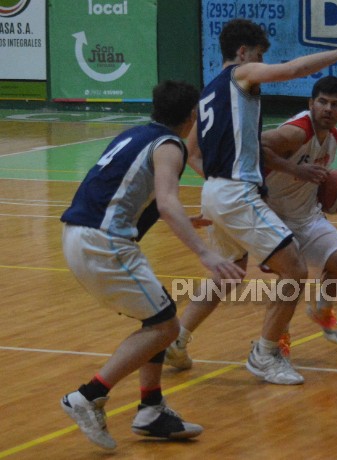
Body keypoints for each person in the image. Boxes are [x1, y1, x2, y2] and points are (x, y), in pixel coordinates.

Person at [164, 19, 337, 386]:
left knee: (225, 275)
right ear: (243, 53)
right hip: (235, 191)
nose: (261, 63)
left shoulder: (210, 91)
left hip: (218, 189)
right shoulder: (242, 74)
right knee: (294, 270)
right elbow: (293, 69)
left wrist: (216, 190)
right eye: (259, 55)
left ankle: (177, 339)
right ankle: (265, 353)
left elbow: (192, 152)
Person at [59, 80, 244, 450]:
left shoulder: (135, 134)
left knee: (158, 315)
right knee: (165, 326)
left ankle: (151, 408)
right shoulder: (170, 145)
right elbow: (166, 202)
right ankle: (88, 395)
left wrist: (182, 221)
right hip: (105, 241)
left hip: (78, 233)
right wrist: (205, 254)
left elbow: (120, 191)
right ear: (193, 116)